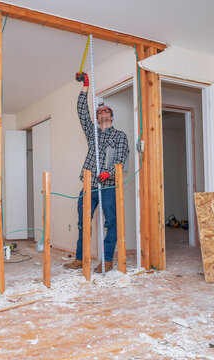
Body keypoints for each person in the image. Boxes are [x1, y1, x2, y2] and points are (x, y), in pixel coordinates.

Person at [64, 72, 129, 273]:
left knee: (112, 223)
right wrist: (85, 87)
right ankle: (80, 258)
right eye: (99, 112)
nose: (102, 113)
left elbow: (122, 155)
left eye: (106, 111)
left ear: (111, 116)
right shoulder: (92, 134)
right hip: (89, 185)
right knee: (83, 224)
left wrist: (109, 173)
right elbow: (82, 111)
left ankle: (108, 261)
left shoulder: (119, 136)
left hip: (109, 187)